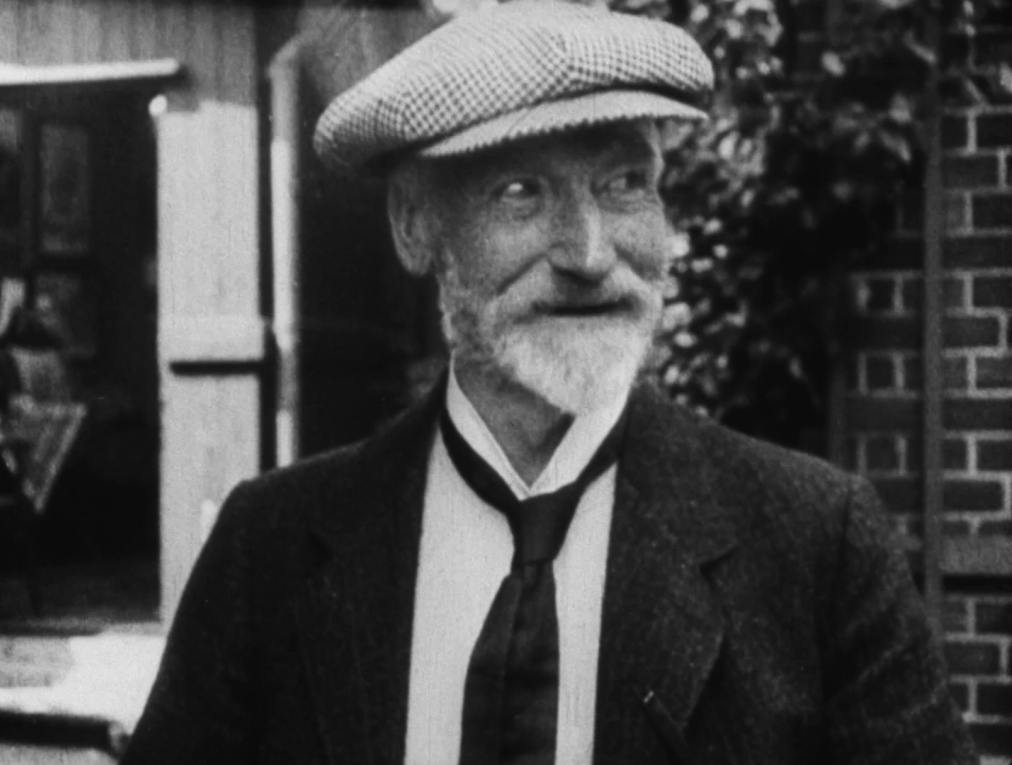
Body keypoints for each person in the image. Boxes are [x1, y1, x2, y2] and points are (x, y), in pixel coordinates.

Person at [122, 2, 976, 763]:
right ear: (415, 224)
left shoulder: (818, 545)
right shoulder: (267, 549)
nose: (590, 254)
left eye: (625, 183)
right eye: (521, 192)